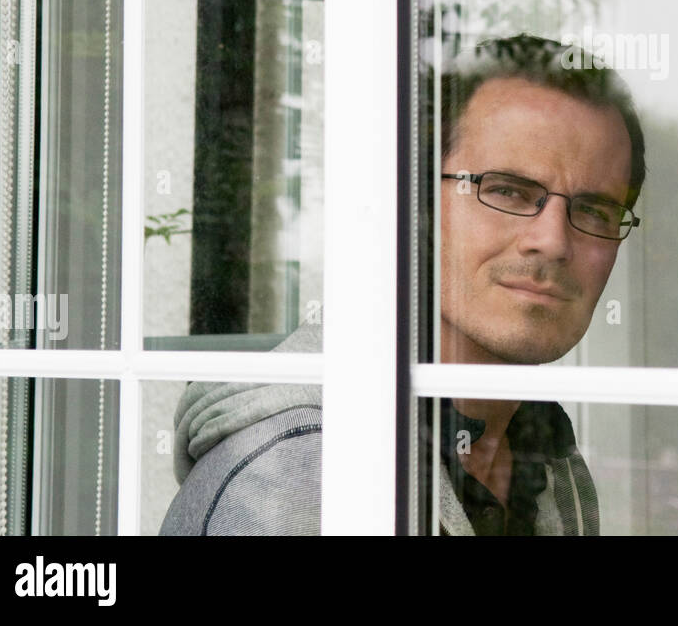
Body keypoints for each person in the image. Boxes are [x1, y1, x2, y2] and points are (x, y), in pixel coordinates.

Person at [160, 34, 645, 535]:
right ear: (415, 204)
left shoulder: (544, 456)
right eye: (507, 190)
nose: (553, 241)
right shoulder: (301, 478)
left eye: (593, 210)